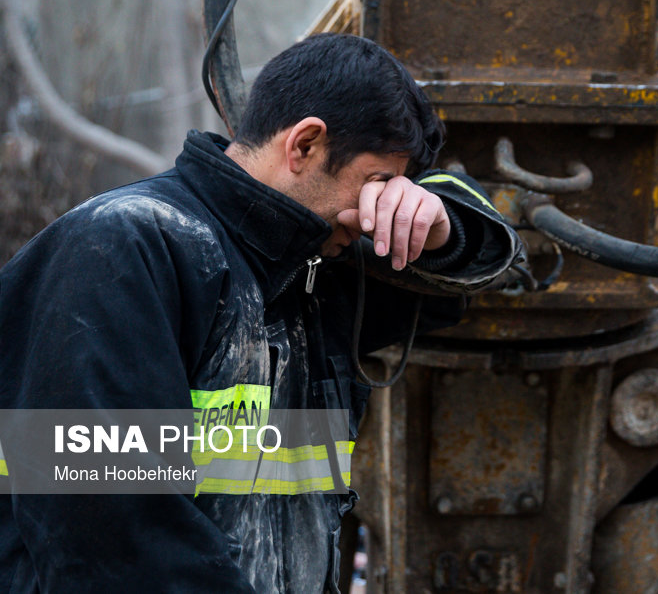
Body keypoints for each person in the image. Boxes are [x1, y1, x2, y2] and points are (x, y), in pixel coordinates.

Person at [0, 33, 523, 592]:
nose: (370, 216)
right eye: (376, 185)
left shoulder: (310, 268)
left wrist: (441, 224)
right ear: (304, 145)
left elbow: (480, 271)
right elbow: (114, 531)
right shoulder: (126, 246)